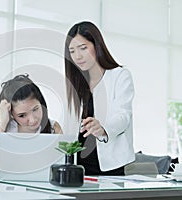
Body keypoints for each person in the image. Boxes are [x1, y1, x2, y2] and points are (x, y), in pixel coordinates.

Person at [64, 21, 135, 175]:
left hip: (110, 165)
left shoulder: (119, 76)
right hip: (79, 165)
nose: (78, 56)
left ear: (97, 45)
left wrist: (103, 128)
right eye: (72, 51)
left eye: (83, 48)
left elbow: (123, 115)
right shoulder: (75, 82)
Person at [0, 74, 63, 177]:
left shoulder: (53, 128)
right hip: (9, 190)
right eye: (22, 115)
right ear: (11, 114)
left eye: (35, 109)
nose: (32, 120)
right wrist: (2, 123)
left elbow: (62, 170)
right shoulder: (6, 130)